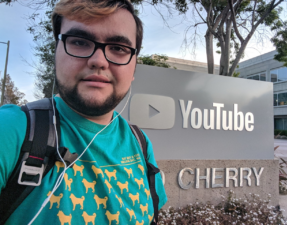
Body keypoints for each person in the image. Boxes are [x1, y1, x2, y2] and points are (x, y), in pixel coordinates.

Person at [0, 0, 167, 224]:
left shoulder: (140, 143)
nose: (98, 61)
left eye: (118, 48)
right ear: (56, 54)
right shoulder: (10, 131)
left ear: (134, 66)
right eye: (79, 42)